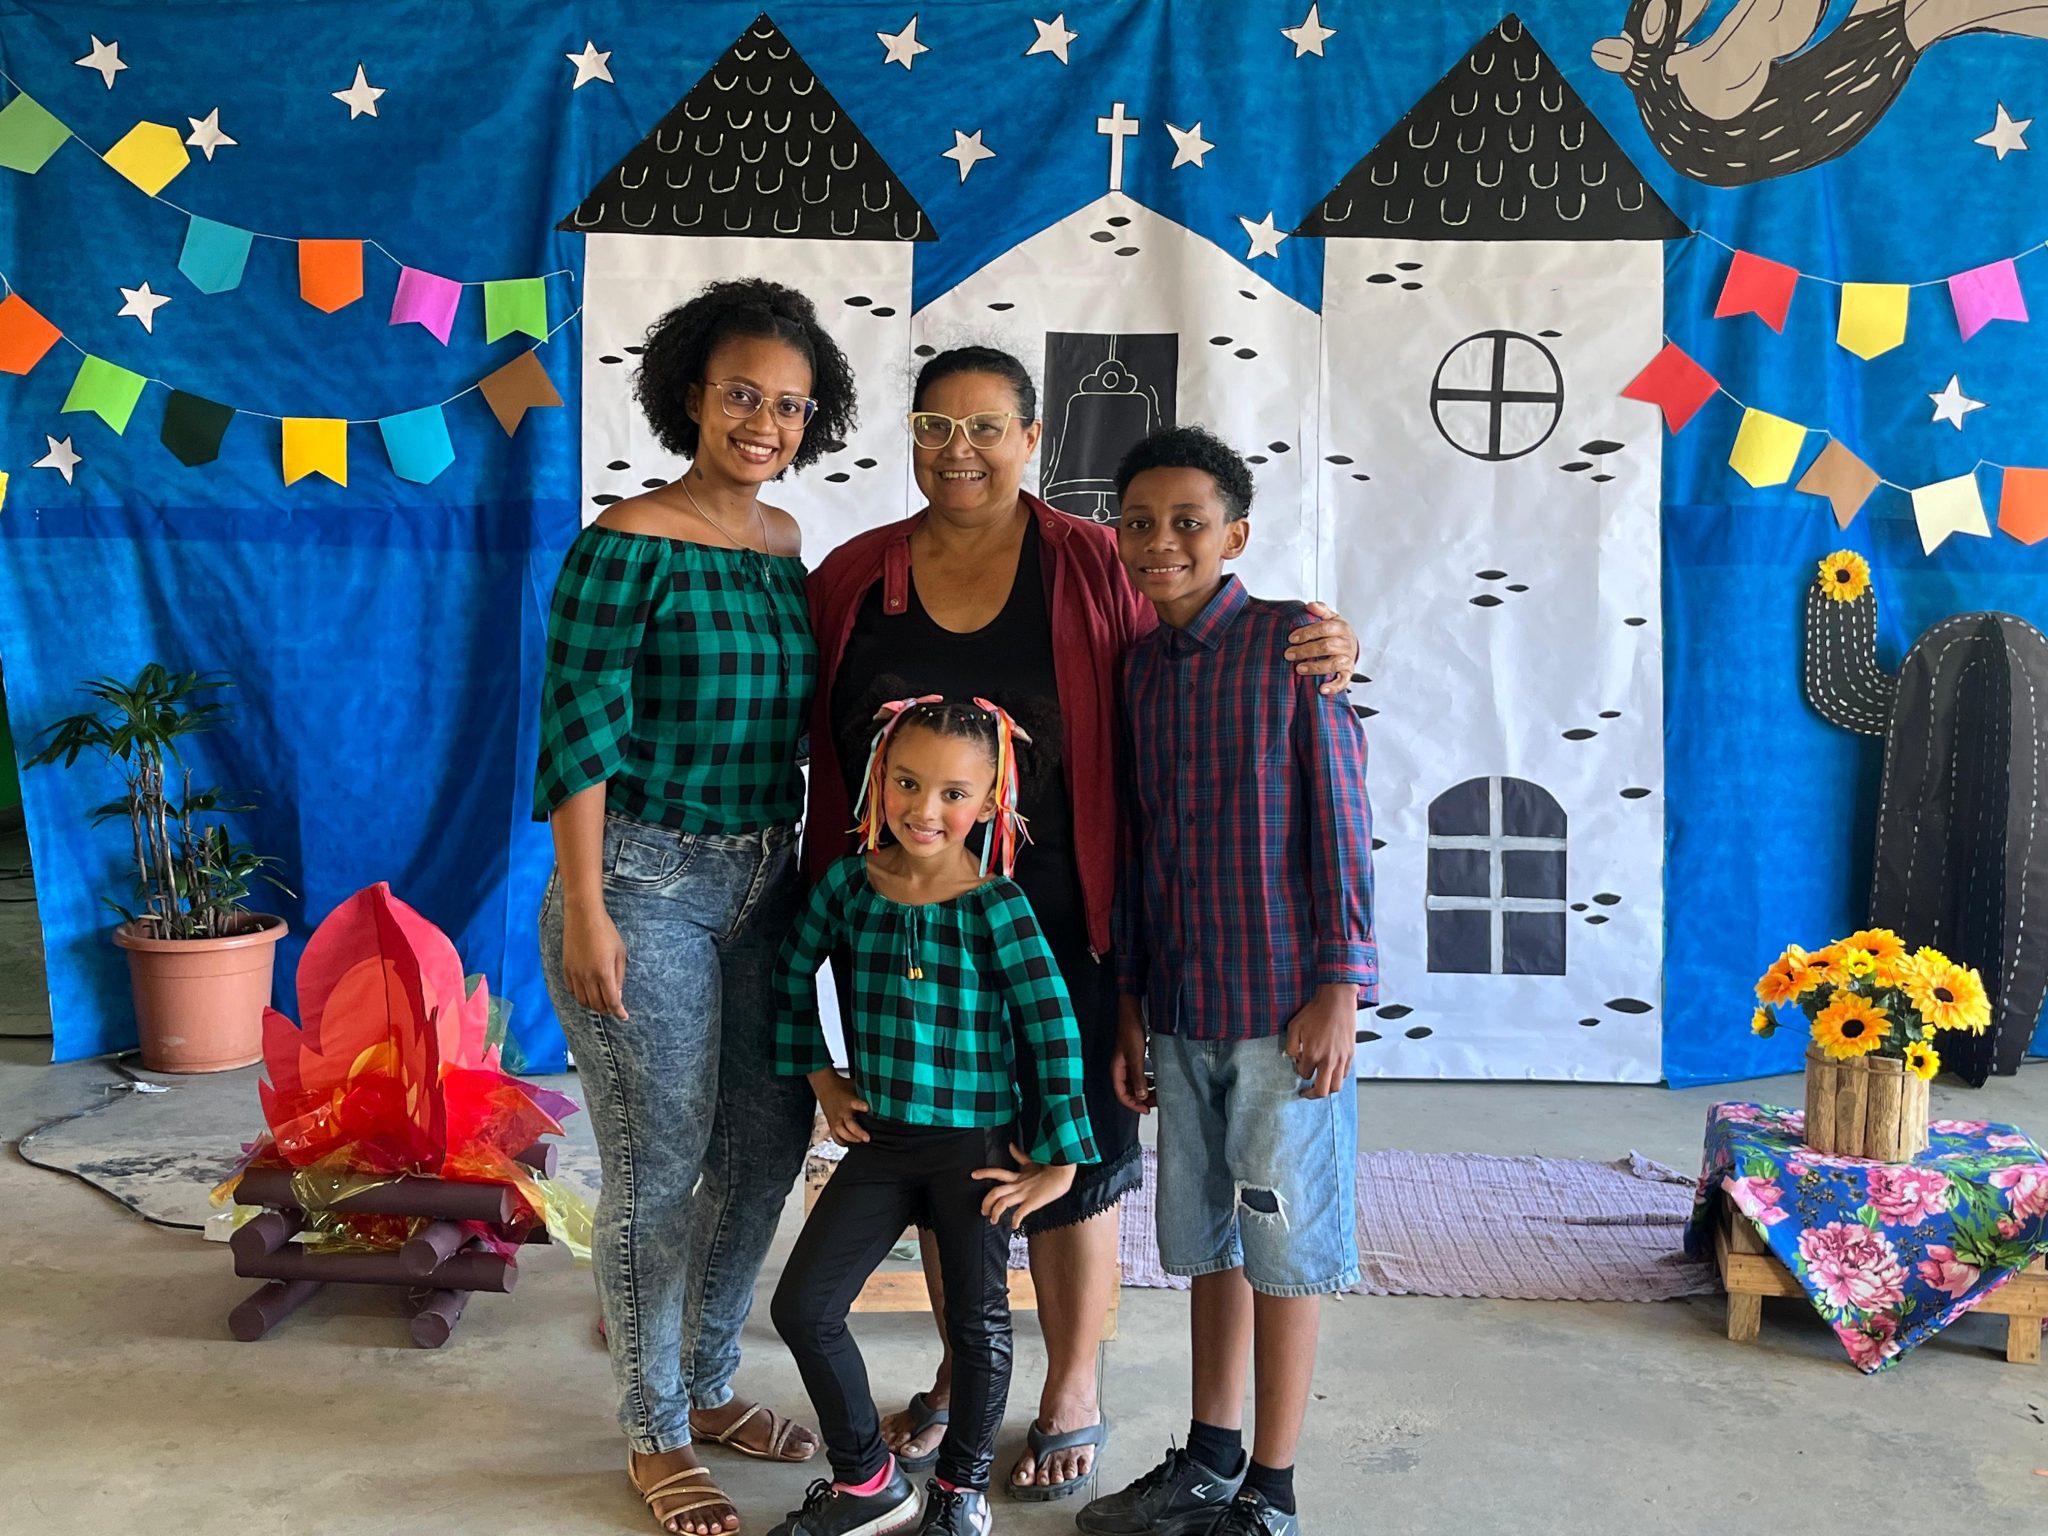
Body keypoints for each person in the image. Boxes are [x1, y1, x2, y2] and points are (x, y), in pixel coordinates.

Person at [804, 348, 1362, 1499]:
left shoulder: (1091, 561)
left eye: (987, 426)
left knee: (1076, 1151)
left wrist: (1329, 643)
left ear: (1031, 438)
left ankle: (1070, 1387)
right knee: (943, 1144)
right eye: (935, 425)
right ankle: (965, 1370)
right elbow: (820, 741)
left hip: (1067, 914)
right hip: (910, 929)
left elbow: (1207, 632)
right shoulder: (858, 575)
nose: (960, 448)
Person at [535, 278, 855, 1536]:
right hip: (640, 883)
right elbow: (577, 736)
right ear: (689, 396)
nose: (763, 423)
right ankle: (654, 1429)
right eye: (740, 396)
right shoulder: (625, 540)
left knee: (768, 1145)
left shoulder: (783, 546)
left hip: (764, 883)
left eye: (788, 405)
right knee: (656, 1166)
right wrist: (586, 908)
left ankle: (708, 1382)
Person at [1081, 425, 1377, 1536]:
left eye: (1188, 523)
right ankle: (1209, 1458)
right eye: (1139, 523)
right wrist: (1131, 1004)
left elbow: (1341, 825)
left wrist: (1339, 986)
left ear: (1235, 535)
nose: (1161, 542)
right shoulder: (1138, 672)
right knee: (1209, 1237)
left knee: (1283, 1245)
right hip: (1180, 1008)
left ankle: (1272, 1489)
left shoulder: (1293, 647)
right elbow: (1140, 847)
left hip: (1283, 1015)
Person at [770, 698, 1099, 1536]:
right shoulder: (848, 886)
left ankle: (960, 1493)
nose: (925, 809)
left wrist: (1060, 1158)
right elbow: (791, 974)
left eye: (954, 793)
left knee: (977, 1324)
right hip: (882, 1146)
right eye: (908, 783)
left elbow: (1052, 1027)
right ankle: (867, 1484)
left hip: (974, 1152)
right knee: (804, 1307)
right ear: (879, 779)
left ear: (990, 802)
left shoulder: (998, 906)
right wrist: (823, 1078)